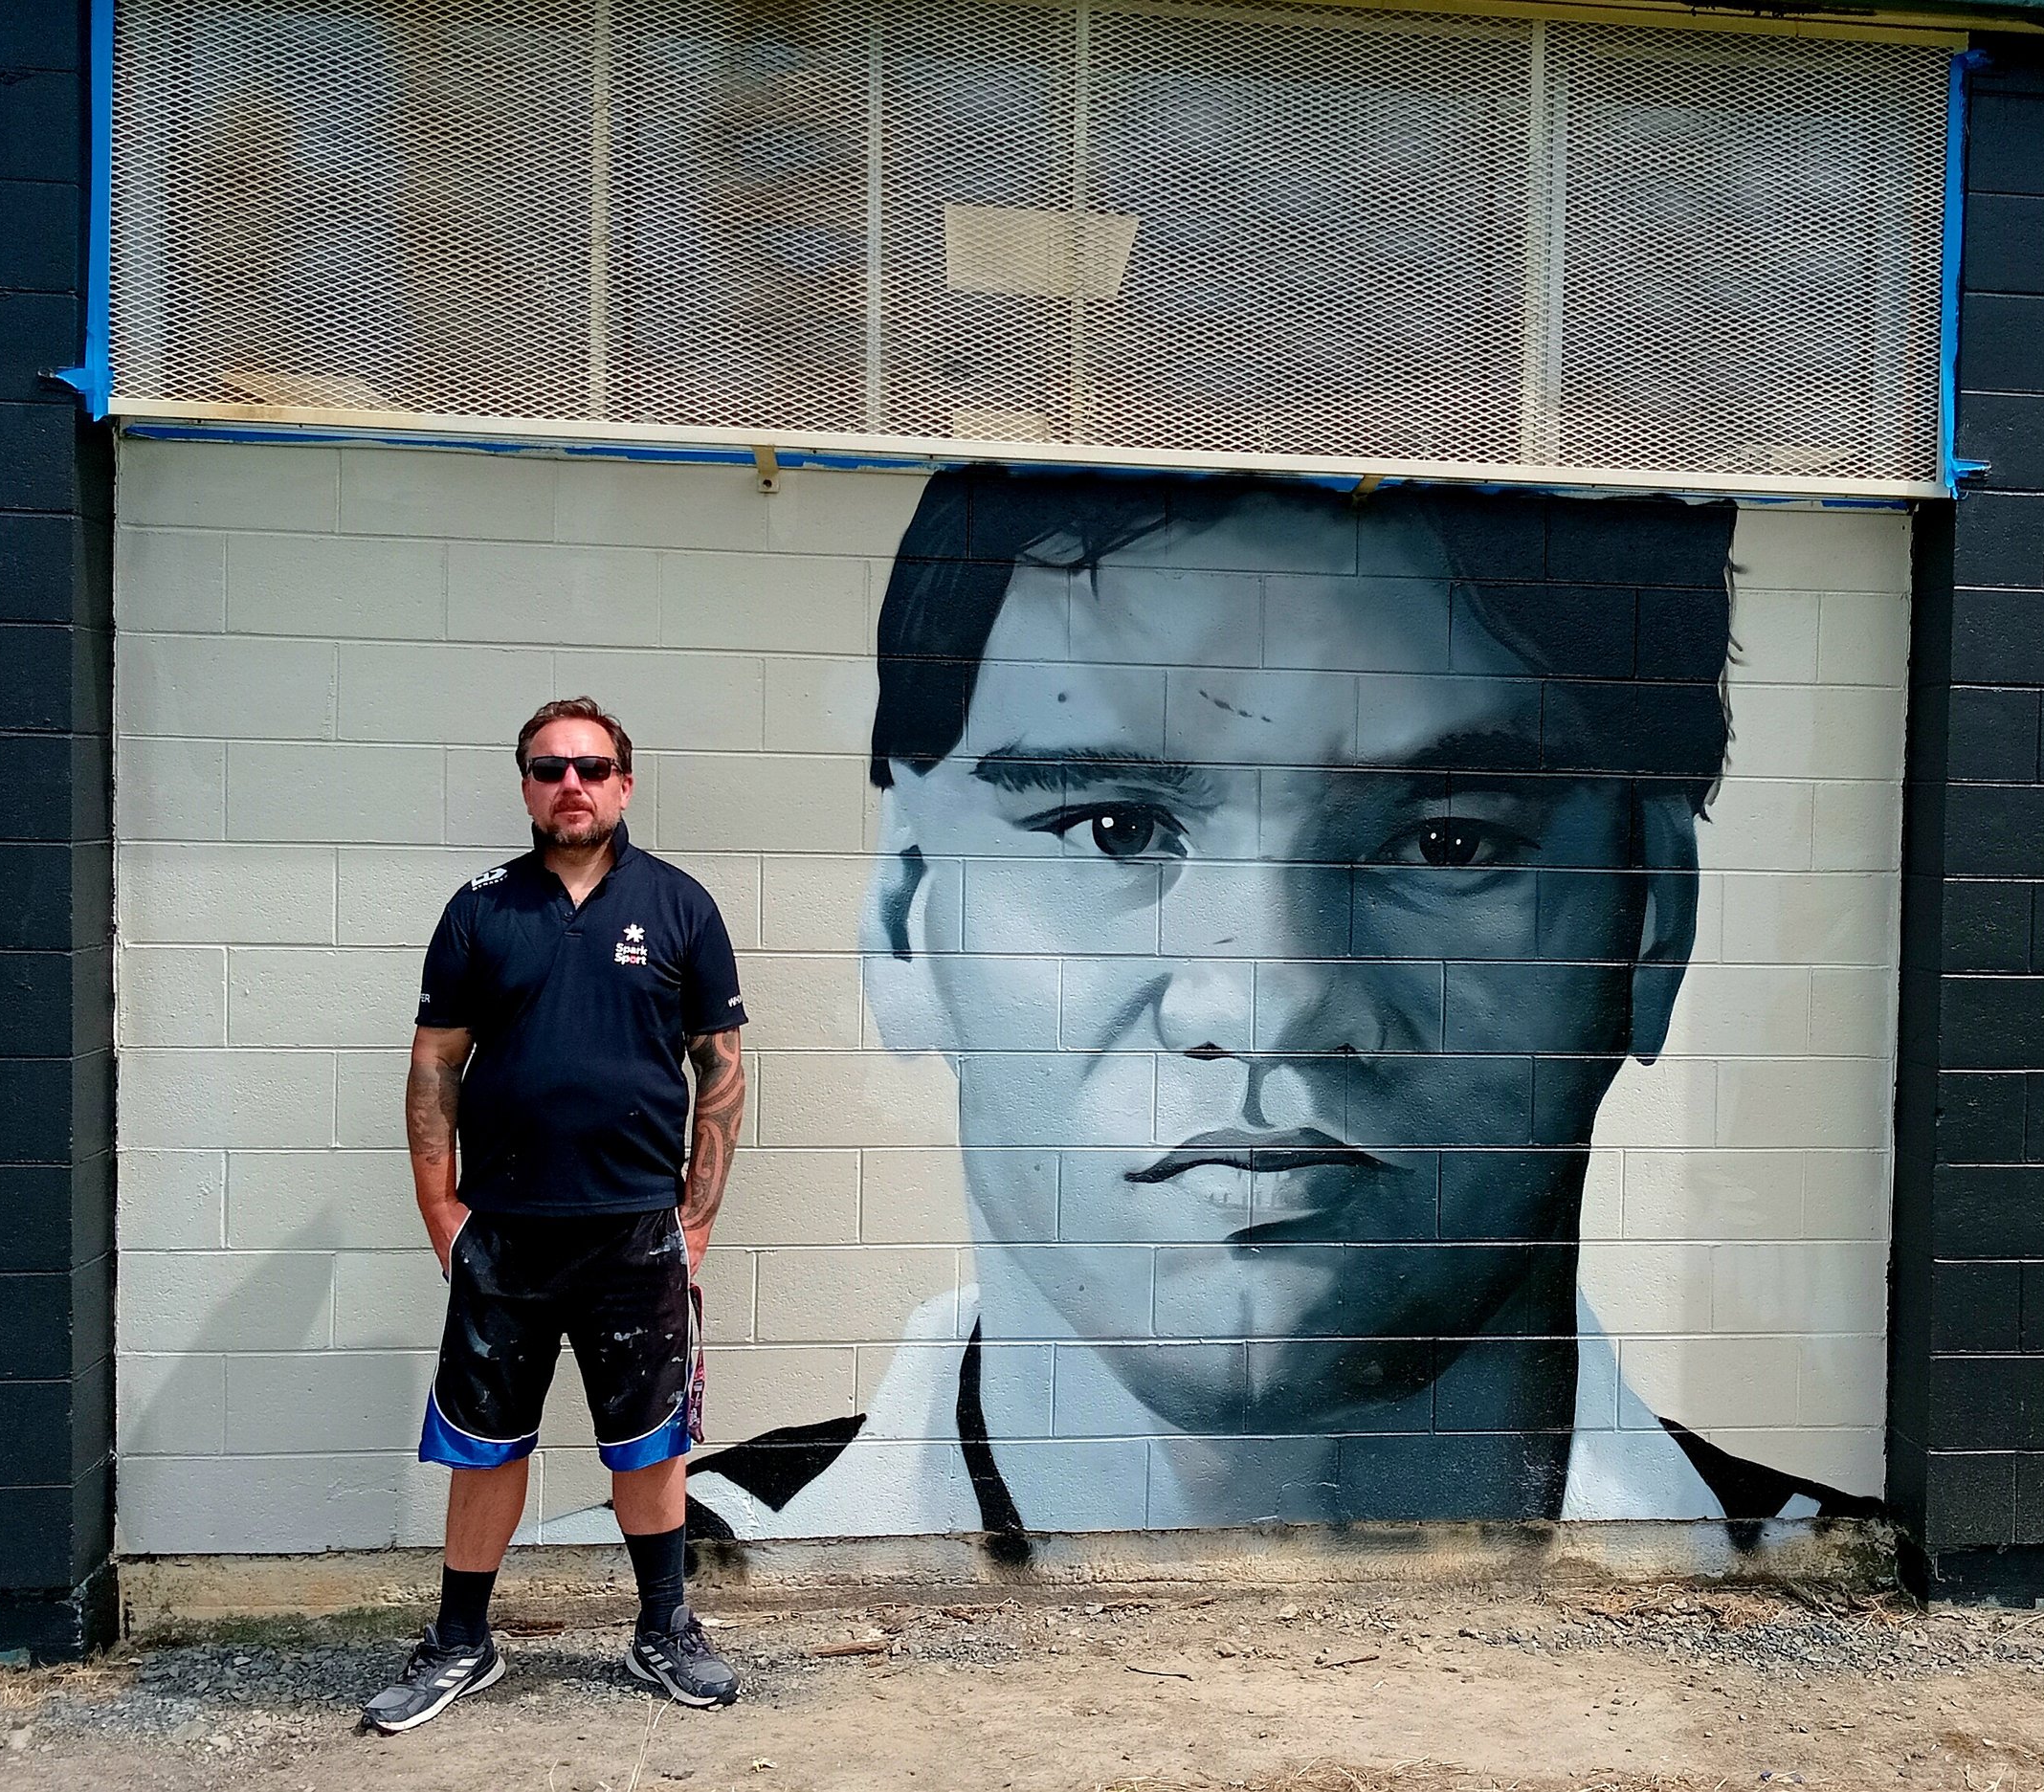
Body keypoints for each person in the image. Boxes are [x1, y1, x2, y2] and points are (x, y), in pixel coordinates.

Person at [678, 466, 1875, 1544]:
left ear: (1650, 922)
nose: (1266, 1002)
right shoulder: (682, 1553)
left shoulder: (1829, 1593)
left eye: (1448, 842)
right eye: (1115, 828)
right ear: (902, 916)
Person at [362, 697, 750, 1734]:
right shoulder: (481, 909)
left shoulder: (680, 906)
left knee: (648, 1445)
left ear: (624, 782)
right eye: (547, 768)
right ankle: (460, 1641)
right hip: (507, 1231)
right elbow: (435, 1063)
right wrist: (439, 1204)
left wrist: (697, 1218)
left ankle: (663, 1627)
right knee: (484, 1444)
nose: (568, 784)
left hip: (634, 1229)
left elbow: (720, 1066)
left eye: (589, 766)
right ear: (525, 784)